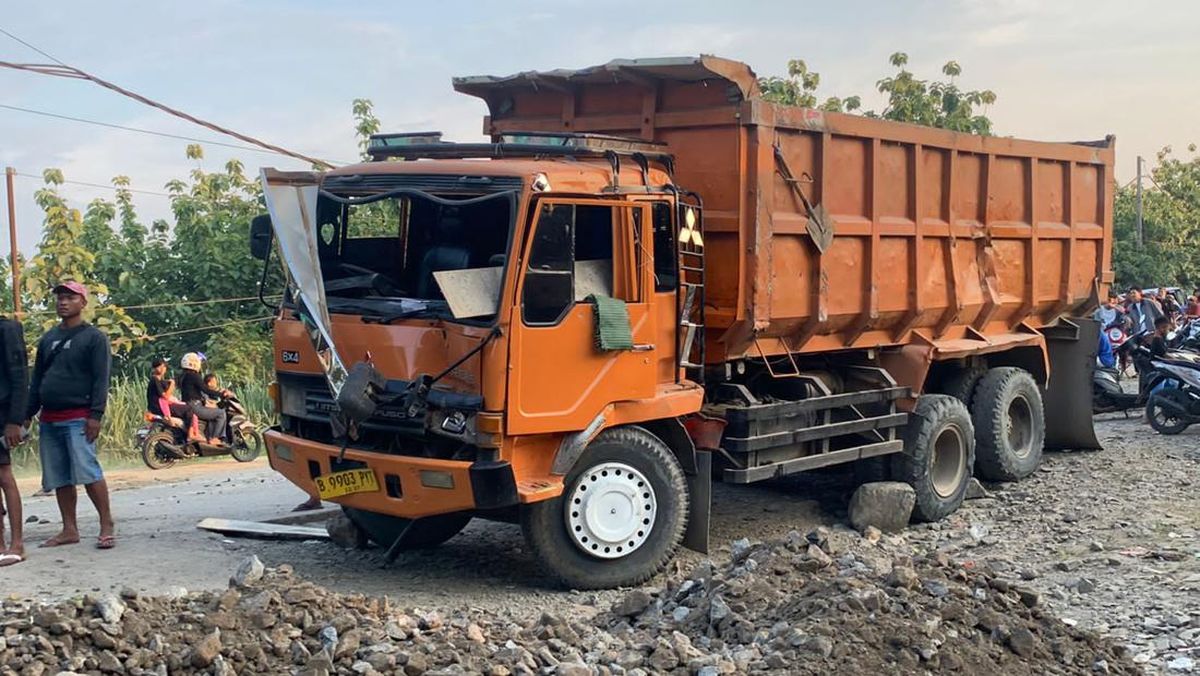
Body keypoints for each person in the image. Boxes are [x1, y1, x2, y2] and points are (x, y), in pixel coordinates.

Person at [25, 281, 116, 550]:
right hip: (50, 418)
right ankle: (69, 529)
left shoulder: (94, 338)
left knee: (88, 471)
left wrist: (95, 415)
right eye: (60, 298)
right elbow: (38, 379)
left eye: (70, 298)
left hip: (79, 416)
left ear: (83, 303)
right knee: (59, 476)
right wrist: (27, 414)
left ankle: (106, 524)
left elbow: (101, 379)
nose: (63, 302)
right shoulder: (48, 339)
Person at [0, 313, 28, 566]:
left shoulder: (7, 328)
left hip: (3, 412)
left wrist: (15, 420)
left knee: (4, 476)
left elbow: (20, 377)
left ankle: (17, 543)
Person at [178, 352, 230, 446]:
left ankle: (207, 436)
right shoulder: (194, 376)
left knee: (212, 413)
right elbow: (206, 390)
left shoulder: (183, 376)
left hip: (188, 405)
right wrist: (221, 394)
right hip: (195, 406)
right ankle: (215, 438)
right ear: (194, 363)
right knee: (221, 413)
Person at [146, 358, 200, 440]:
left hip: (158, 407)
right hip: (160, 407)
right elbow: (165, 396)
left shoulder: (160, 380)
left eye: (163, 367)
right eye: (159, 367)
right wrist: (172, 385)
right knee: (189, 409)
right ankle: (191, 434)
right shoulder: (155, 379)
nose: (162, 369)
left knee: (184, 407)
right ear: (154, 368)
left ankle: (181, 435)